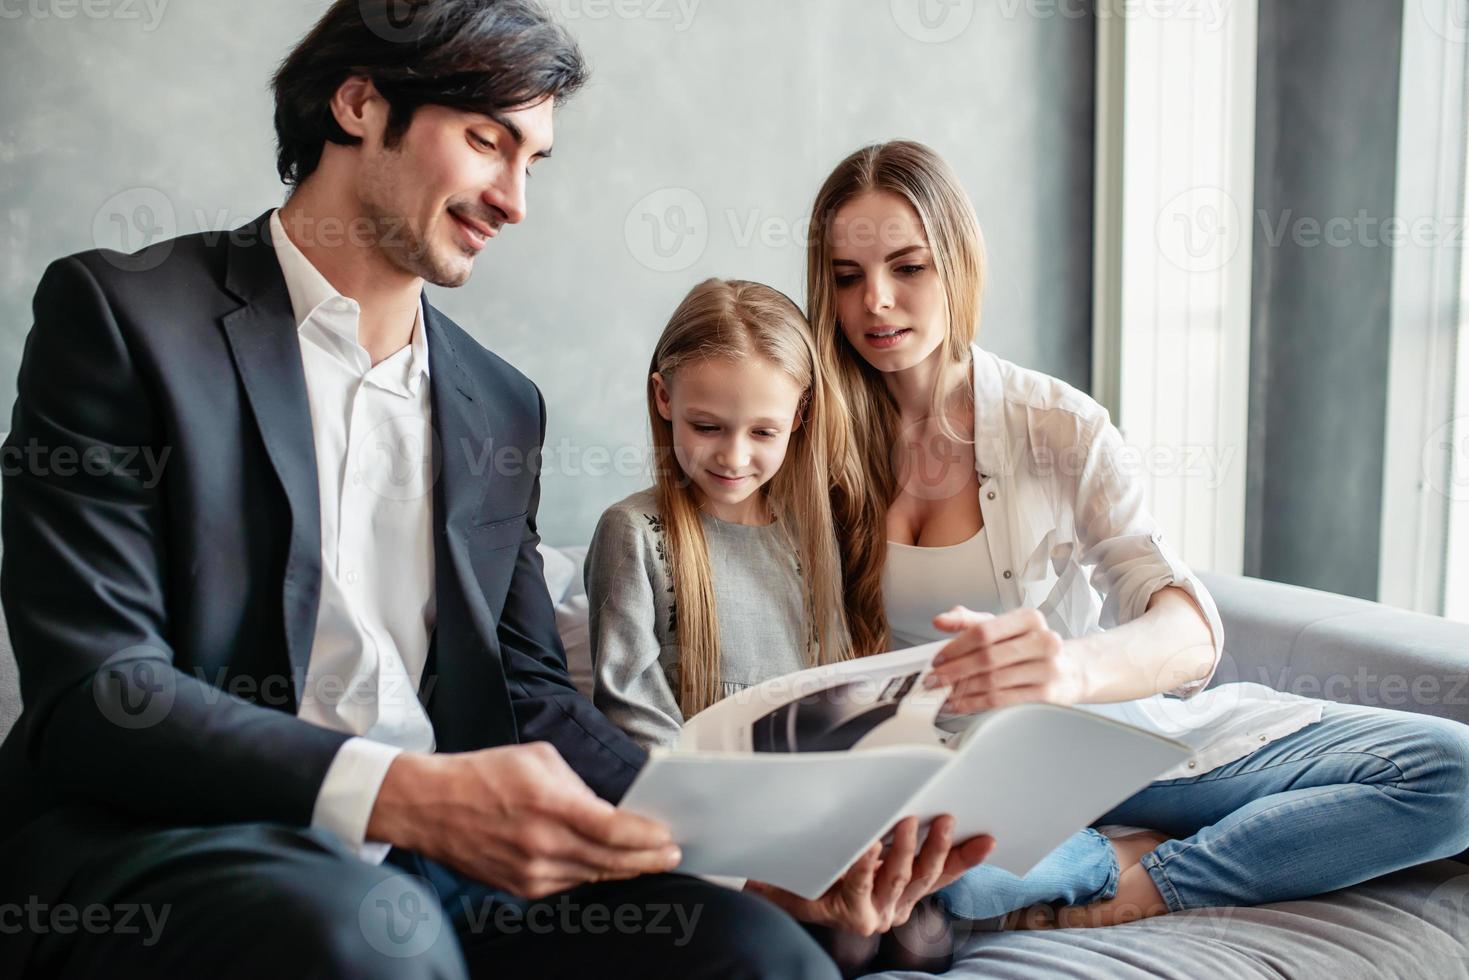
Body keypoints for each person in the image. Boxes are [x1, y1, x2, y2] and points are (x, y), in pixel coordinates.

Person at [0, 5, 842, 976]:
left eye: (533, 160)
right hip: (177, 843)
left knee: (758, 952)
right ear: (358, 103)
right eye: (487, 141)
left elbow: (529, 695)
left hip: (438, 865)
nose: (514, 198)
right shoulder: (124, 315)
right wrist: (401, 791)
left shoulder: (499, 403)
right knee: (361, 930)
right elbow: (100, 689)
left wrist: (745, 847)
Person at [807, 138, 1469, 936]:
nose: (875, 300)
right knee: (924, 890)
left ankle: (1144, 875)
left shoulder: (1056, 426)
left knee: (1452, 773)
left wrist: (1067, 668)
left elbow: (1187, 630)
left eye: (907, 268)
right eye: (848, 277)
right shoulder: (804, 441)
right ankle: (1096, 856)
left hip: (1105, 740)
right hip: (947, 775)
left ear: (957, 263)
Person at [587, 277, 994, 975]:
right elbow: (632, 722)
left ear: (800, 416)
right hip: (714, 837)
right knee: (844, 939)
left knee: (918, 930)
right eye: (706, 426)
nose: (732, 456)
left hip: (821, 819)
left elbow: (842, 694)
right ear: (664, 400)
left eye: (762, 432)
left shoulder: (814, 532)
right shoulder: (636, 533)